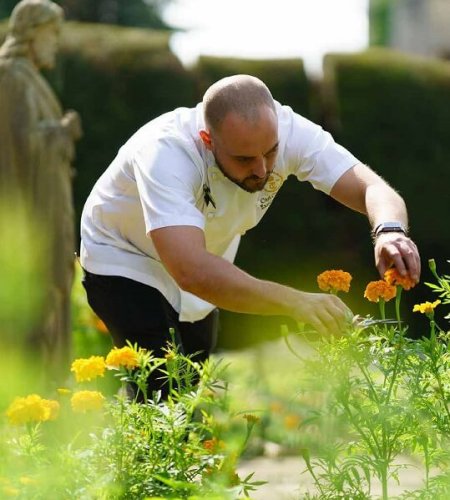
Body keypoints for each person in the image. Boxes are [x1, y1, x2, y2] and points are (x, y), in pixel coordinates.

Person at [80, 74, 420, 397]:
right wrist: (297, 302)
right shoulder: (165, 151)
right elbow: (191, 271)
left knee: (187, 397)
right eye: (244, 158)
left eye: (271, 152)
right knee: (160, 392)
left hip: (204, 259)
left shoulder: (290, 131)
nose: (262, 169)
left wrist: (390, 232)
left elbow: (370, 187)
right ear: (208, 140)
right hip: (124, 256)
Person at [0, 0, 82, 373]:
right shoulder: (12, 78)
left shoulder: (28, 77)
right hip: (34, 210)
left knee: (53, 296)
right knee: (40, 303)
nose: (56, 43)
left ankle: (49, 393)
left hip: (49, 204)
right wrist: (62, 132)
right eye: (53, 33)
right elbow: (18, 146)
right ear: (32, 33)